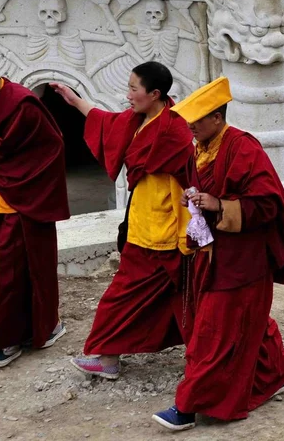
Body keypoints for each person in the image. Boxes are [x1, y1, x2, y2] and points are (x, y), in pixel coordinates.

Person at [152, 76, 284, 432]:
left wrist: (219, 204)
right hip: (217, 254)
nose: (191, 131)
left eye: (197, 124)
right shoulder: (202, 147)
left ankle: (188, 406)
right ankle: (279, 373)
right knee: (245, 322)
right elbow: (201, 185)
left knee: (214, 330)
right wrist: (196, 200)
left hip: (245, 257)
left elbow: (271, 202)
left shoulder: (243, 148)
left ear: (217, 118)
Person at [52, 61, 195, 380]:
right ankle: (205, 352)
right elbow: (108, 123)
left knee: (122, 299)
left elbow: (185, 186)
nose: (128, 95)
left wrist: (187, 238)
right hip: (140, 225)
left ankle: (108, 360)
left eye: (134, 89)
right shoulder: (140, 120)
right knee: (173, 300)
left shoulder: (173, 132)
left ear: (155, 93)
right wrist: (75, 101)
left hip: (162, 236)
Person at [0, 55, 70, 368]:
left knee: (8, 274)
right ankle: (42, 328)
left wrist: (23, 185)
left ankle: (5, 341)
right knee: (9, 269)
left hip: (22, 203)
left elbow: (51, 147)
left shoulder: (23, 104)